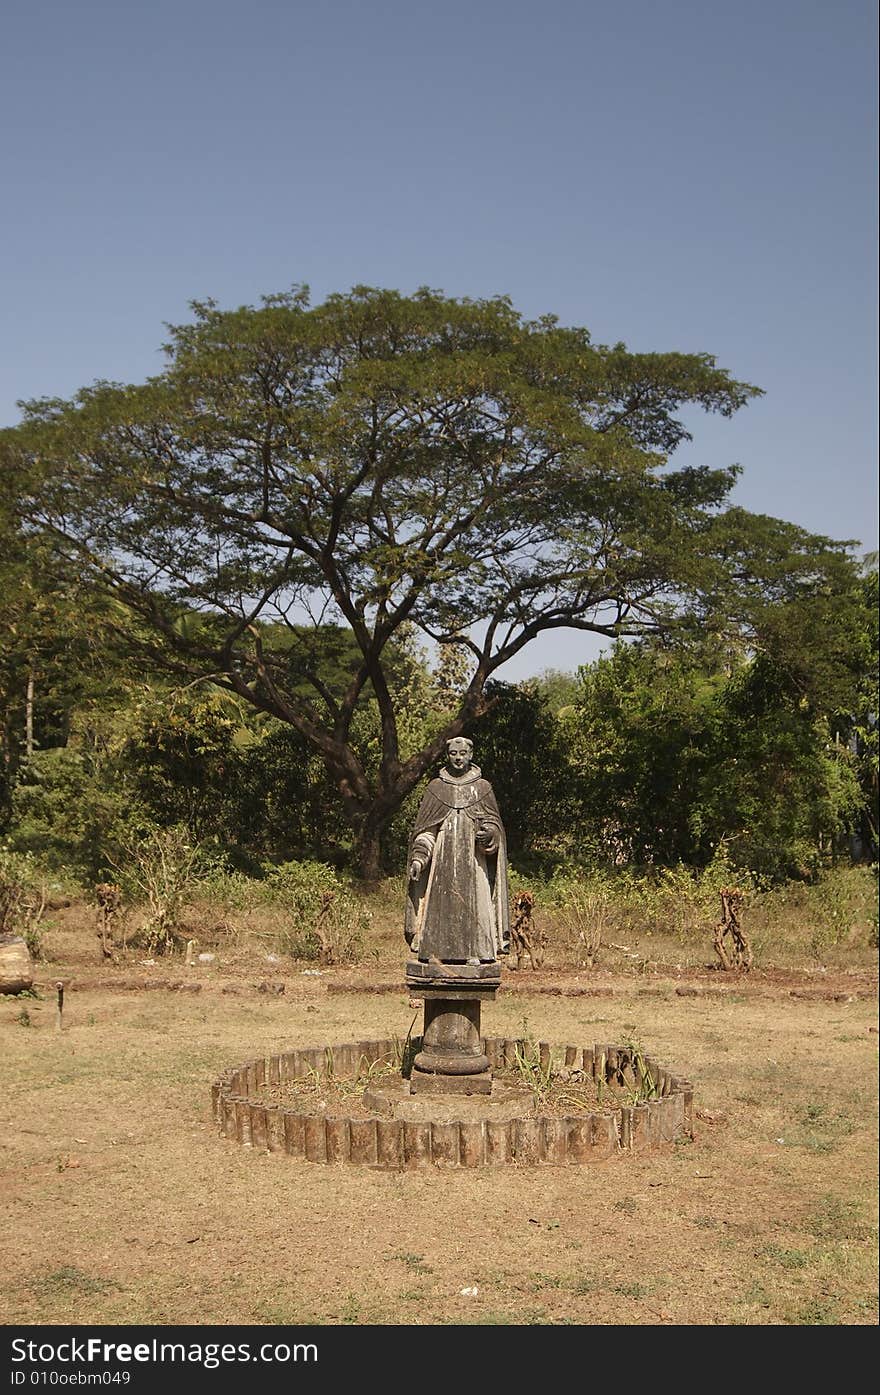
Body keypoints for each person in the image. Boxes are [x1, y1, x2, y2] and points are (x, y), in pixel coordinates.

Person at [404, 737, 510, 964]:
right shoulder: (436, 788)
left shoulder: (482, 788)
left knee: (475, 905)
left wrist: (489, 834)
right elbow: (427, 832)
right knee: (440, 904)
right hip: (443, 863)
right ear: (447, 755)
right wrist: (418, 860)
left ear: (471, 755)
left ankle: (477, 953)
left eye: (463, 753)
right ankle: (435, 952)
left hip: (473, 863)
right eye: (453, 753)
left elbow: (494, 827)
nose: (458, 758)